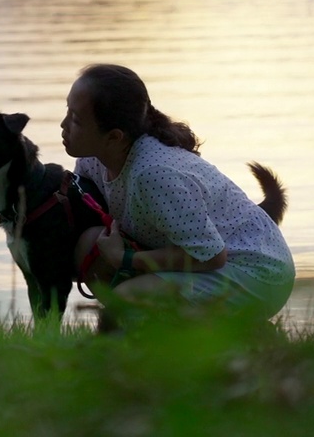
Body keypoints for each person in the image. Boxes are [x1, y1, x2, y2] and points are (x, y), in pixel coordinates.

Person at [61, 64, 294, 317]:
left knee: (124, 303)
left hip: (257, 273)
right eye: (67, 111)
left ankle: (239, 329)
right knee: (89, 245)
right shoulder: (93, 159)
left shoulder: (151, 174)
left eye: (75, 119)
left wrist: (126, 259)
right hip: (211, 259)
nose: (63, 125)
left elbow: (212, 256)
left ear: (114, 137)